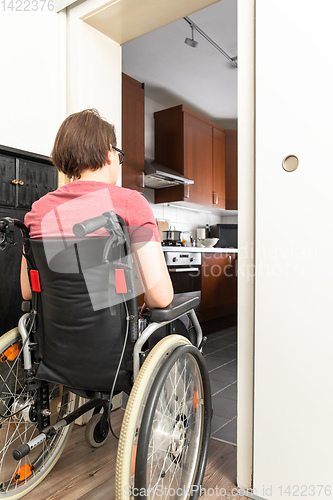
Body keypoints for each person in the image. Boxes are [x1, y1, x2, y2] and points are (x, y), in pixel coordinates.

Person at [20, 109, 173, 310]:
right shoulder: (131, 202)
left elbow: (28, 291)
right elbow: (160, 298)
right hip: (115, 338)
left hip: (52, 338)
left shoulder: (39, 210)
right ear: (110, 154)